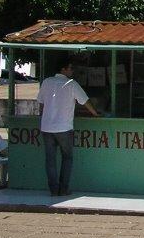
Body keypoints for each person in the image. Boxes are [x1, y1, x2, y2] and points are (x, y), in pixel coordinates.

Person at [37, 57, 99, 196]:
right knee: (67, 158)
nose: (72, 71)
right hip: (64, 128)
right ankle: (63, 189)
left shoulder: (47, 82)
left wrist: (43, 118)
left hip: (46, 127)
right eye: (70, 68)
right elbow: (85, 101)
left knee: (50, 160)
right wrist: (95, 113)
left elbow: (41, 103)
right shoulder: (71, 84)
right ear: (63, 69)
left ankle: (53, 189)